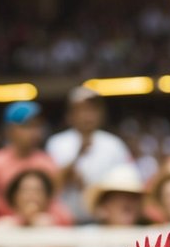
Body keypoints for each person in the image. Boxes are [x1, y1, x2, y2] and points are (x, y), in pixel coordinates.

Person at [46, 85, 134, 223]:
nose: (87, 115)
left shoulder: (114, 145)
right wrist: (72, 167)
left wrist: (89, 189)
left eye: (93, 109)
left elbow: (127, 186)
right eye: (81, 109)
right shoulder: (56, 144)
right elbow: (49, 188)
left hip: (103, 224)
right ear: (70, 114)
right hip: (64, 223)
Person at [0, 101, 68, 222]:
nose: (34, 132)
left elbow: (55, 203)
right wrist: (18, 212)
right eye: (27, 126)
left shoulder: (47, 163)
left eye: (37, 126)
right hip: (4, 230)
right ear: (10, 130)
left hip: (40, 230)